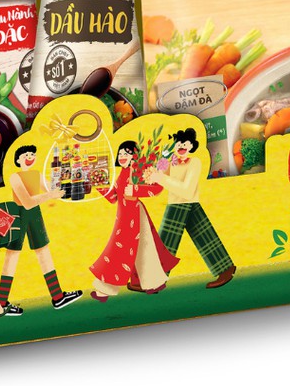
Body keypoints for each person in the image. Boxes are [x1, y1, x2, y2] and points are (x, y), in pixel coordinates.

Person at [142, 127, 235, 290]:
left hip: (180, 203)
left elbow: (187, 190)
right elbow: (160, 177)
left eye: (185, 143)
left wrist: (161, 178)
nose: (181, 146)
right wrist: (155, 172)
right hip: (180, 202)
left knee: (165, 242)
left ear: (192, 146)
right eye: (178, 144)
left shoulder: (195, 163)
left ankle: (156, 279)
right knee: (204, 236)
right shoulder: (172, 162)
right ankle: (225, 269)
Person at [0, 144, 82, 312]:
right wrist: (50, 194)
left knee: (43, 252)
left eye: (32, 154)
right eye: (25, 155)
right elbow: (27, 202)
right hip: (18, 214)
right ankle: (0, 303)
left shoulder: (37, 174)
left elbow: (53, 190)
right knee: (12, 256)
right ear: (18, 160)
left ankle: (58, 297)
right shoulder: (15, 177)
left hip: (35, 214)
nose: (29, 157)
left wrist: (70, 179)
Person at [89, 141, 179, 302]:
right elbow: (114, 198)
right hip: (124, 216)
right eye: (120, 153)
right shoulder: (123, 172)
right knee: (143, 248)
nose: (122, 156)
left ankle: (104, 290)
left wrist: (136, 190)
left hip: (135, 214)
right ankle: (154, 282)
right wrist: (100, 184)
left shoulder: (140, 169)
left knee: (118, 251)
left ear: (135, 155)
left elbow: (157, 188)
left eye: (127, 153)